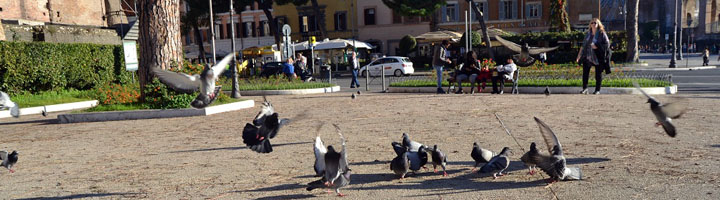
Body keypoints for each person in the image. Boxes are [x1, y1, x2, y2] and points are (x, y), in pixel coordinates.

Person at [576, 18, 610, 95]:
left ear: (598, 24)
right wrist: (579, 56)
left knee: (598, 74)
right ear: (590, 25)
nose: (594, 24)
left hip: (597, 56)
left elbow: (607, 45)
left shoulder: (601, 34)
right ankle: (585, 89)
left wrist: (597, 46)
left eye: (595, 23)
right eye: (592, 23)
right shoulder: (588, 34)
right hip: (587, 56)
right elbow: (583, 46)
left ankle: (597, 90)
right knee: (585, 73)